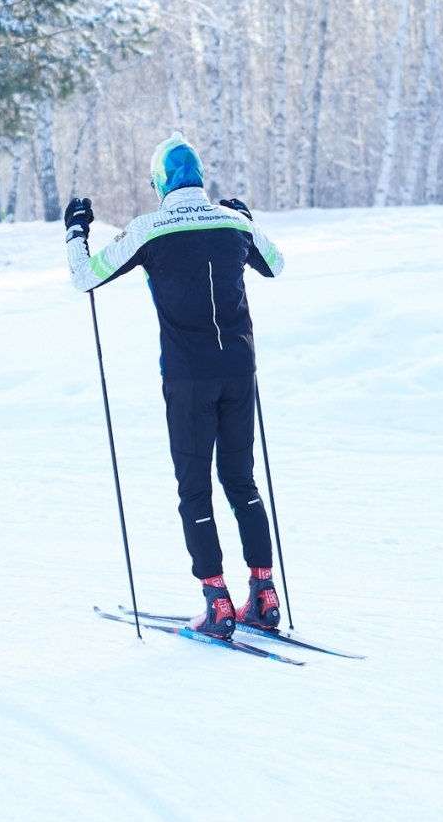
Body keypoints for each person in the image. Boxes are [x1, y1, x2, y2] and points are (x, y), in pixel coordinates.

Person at [64, 135, 287, 639]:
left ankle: (217, 604)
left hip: (188, 378)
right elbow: (276, 264)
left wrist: (77, 230)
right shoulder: (232, 223)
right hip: (239, 373)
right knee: (242, 483)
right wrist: (247, 219)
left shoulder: (150, 229)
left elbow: (84, 277)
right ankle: (265, 594)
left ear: (160, 183)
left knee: (194, 489)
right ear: (201, 178)